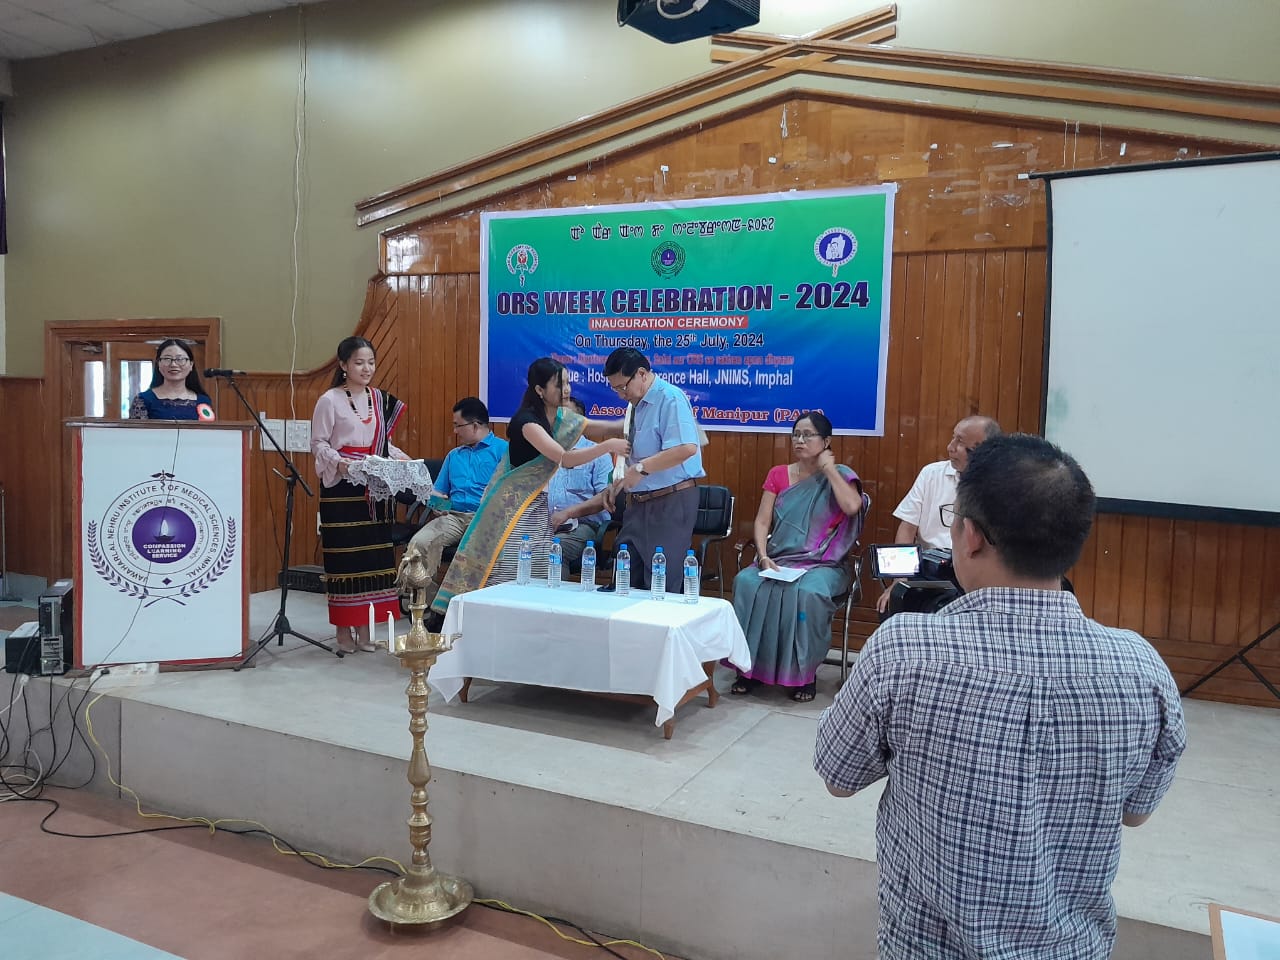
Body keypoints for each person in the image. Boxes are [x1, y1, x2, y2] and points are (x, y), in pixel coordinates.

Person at [815, 434, 1186, 960]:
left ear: (969, 536)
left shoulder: (902, 650)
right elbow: (1136, 812)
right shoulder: (1143, 668)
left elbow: (838, 778)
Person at [429, 358, 628, 618]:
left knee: (537, 568)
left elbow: (605, 426)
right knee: (507, 569)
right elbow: (564, 459)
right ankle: (484, 621)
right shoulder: (526, 422)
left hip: (536, 507)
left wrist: (633, 416)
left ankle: (529, 622)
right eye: (559, 384)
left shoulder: (560, 417)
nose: (566, 389)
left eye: (568, 383)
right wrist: (608, 446)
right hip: (510, 510)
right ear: (540, 390)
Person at [730, 412, 867, 702]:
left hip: (824, 564)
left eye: (808, 435)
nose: (799, 440)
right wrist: (763, 556)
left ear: (826, 441)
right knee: (746, 582)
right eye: (796, 434)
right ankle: (748, 669)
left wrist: (829, 470)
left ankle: (804, 673)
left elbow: (852, 506)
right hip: (780, 558)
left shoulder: (842, 474)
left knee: (806, 593)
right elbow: (762, 521)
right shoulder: (778, 473)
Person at [311, 336, 410, 654]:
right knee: (346, 560)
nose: (366, 368)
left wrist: (403, 460)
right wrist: (340, 463)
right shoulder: (329, 400)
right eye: (358, 363)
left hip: (375, 487)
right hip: (342, 489)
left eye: (370, 362)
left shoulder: (379, 398)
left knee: (373, 559)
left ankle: (366, 630)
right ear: (343, 365)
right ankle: (343, 631)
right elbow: (319, 443)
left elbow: (383, 445)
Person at [602, 348, 705, 591]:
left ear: (641, 373)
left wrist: (641, 468)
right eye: (615, 389)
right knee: (626, 582)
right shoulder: (634, 406)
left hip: (671, 500)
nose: (620, 395)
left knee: (661, 586)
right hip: (637, 504)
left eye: (623, 387)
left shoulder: (670, 398)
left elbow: (686, 447)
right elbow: (632, 452)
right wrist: (616, 483)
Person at [875, 415, 1000, 613]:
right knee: (894, 603)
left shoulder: (1001, 484)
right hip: (930, 572)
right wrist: (899, 580)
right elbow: (907, 528)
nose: (950, 447)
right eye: (953, 438)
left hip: (979, 574)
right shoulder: (931, 474)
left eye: (960, 442)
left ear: (983, 450)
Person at [408, 397, 508, 610]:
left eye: (457, 425)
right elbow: (438, 492)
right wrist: (436, 504)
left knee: (475, 556)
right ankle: (432, 606)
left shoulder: (503, 451)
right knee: (418, 544)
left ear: (475, 425)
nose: (454, 431)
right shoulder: (454, 455)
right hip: (453, 516)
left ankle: (473, 609)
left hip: (486, 519)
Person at [547, 396, 614, 566]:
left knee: (554, 550)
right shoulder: (544, 453)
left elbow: (605, 497)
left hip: (582, 526)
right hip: (544, 525)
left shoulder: (598, 454)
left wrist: (568, 513)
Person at [128, 339, 213, 420]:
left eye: (180, 359)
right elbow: (137, 430)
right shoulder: (143, 400)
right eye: (167, 359)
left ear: (191, 365)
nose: (173, 364)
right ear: (158, 364)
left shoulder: (203, 400)